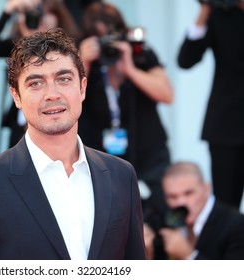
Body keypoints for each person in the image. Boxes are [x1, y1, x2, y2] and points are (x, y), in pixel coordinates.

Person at [0, 28, 146, 260]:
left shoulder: (121, 175)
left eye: (63, 79)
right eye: (36, 83)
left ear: (82, 88)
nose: (52, 94)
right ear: (16, 96)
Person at [77, 2, 174, 227]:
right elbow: (67, 101)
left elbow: (167, 94)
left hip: (148, 152)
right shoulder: (81, 62)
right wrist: (82, 63)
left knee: (155, 216)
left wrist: (130, 69)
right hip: (101, 158)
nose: (107, 46)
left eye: (111, 36)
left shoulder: (140, 52)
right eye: (99, 39)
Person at [0, 0, 80, 150]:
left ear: (57, 15)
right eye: (32, 14)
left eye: (44, 13)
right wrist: (8, 11)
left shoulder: (71, 49)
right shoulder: (16, 45)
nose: (39, 18)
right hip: (21, 124)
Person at [177, 1, 244, 210]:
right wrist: (205, 9)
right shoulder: (220, 14)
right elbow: (186, 59)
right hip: (227, 123)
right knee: (225, 204)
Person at [145, 161, 244, 260]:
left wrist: (189, 255)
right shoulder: (163, 222)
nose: (181, 202)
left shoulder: (236, 224)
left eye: (188, 193)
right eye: (172, 196)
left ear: (206, 189)